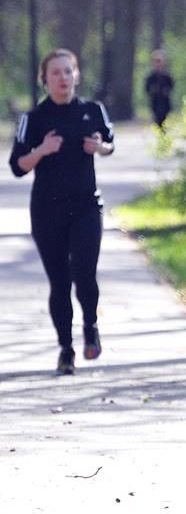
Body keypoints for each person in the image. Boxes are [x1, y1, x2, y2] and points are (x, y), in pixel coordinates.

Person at [8, 48, 115, 375]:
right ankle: (66, 350)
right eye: (55, 73)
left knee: (85, 273)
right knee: (60, 282)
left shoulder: (93, 111)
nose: (63, 78)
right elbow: (17, 166)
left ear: (76, 75)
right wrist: (41, 150)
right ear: (45, 80)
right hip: (47, 211)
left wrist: (99, 148)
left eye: (68, 71)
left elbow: (109, 144)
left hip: (86, 206)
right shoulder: (34, 119)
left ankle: (91, 326)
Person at [144, 49, 174, 129]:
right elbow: (147, 89)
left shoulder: (167, 76)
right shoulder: (150, 77)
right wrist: (153, 90)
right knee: (157, 120)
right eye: (156, 61)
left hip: (165, 102)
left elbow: (171, 87)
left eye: (159, 61)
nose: (158, 64)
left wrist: (166, 90)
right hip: (155, 102)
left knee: (165, 120)